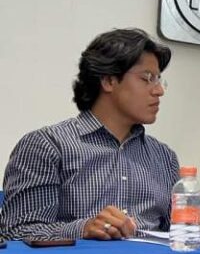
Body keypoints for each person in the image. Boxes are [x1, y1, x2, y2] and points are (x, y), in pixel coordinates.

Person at [0, 29, 179, 241]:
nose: (159, 91)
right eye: (147, 78)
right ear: (109, 81)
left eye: (158, 80)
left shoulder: (164, 157)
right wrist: (84, 229)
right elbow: (17, 231)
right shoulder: (47, 145)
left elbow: (179, 236)